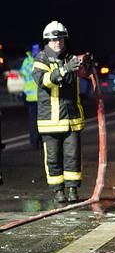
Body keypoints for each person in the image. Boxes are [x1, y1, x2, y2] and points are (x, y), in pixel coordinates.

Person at [32, 21, 86, 204]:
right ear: (47, 41)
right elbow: (44, 81)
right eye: (54, 39)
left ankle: (72, 190)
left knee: (73, 156)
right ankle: (58, 191)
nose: (58, 42)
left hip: (71, 118)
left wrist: (86, 64)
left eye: (61, 39)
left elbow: (83, 76)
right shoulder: (41, 59)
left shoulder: (69, 58)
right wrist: (64, 70)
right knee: (54, 158)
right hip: (51, 120)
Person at [20, 44, 41, 150]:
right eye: (35, 49)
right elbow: (24, 74)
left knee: (41, 121)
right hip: (33, 97)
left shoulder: (38, 60)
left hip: (40, 97)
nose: (36, 51)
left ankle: (39, 141)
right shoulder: (29, 61)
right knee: (34, 122)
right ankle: (35, 141)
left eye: (38, 49)